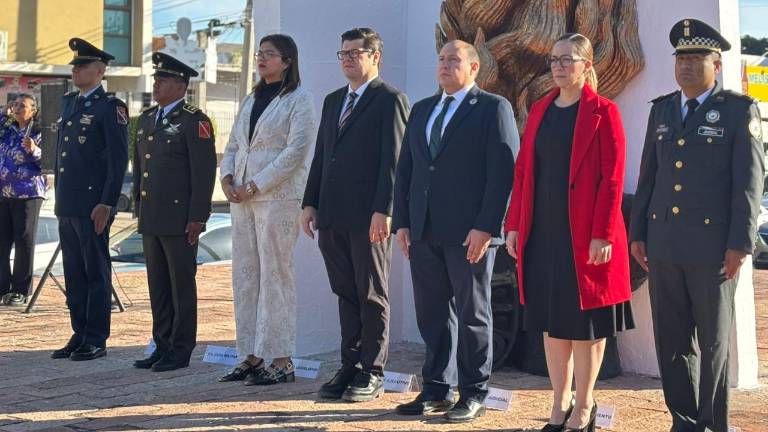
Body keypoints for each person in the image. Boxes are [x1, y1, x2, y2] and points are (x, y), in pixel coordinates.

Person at [629, 19, 764, 432]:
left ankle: (713, 422)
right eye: (681, 58)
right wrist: (638, 233)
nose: (686, 65)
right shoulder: (664, 109)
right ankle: (683, 420)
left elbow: (749, 182)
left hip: (713, 250)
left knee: (714, 342)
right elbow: (648, 175)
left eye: (696, 58)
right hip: (665, 245)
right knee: (672, 341)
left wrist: (740, 243)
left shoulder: (739, 110)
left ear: (717, 63)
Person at [505, 33, 634, 432]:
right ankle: (558, 404)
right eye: (555, 60)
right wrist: (513, 224)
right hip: (542, 233)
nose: (559, 66)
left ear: (586, 65)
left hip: (586, 237)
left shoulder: (604, 111)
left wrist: (603, 236)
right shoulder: (542, 109)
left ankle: (584, 405)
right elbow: (523, 171)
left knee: (585, 325)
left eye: (568, 59)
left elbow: (613, 178)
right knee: (550, 322)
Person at [392, 40, 518, 423]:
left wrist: (486, 227)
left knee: (473, 313)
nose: (445, 65)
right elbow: (408, 170)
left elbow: (502, 174)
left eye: (454, 60)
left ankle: (474, 391)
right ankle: (435, 389)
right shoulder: (423, 109)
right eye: (441, 59)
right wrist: (403, 222)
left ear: (474, 67)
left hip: (469, 234)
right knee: (432, 314)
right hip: (425, 229)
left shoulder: (493, 108)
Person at [302, 28, 409, 402]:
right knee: (344, 291)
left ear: (375, 57)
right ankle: (349, 364)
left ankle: (372, 369)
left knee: (371, 293)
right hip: (332, 215)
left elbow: (394, 162)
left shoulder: (390, 100)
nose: (347, 58)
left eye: (356, 52)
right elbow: (322, 155)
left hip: (369, 218)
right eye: (343, 53)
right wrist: (310, 202)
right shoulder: (334, 101)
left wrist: (386, 210)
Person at [218, 34, 315, 385]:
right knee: (245, 276)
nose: (262, 59)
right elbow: (232, 144)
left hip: (276, 198)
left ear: (287, 60)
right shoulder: (251, 97)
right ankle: (251, 354)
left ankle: (282, 358)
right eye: (260, 53)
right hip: (242, 198)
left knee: (276, 276)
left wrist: (254, 184)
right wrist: (227, 178)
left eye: (270, 54)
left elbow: (295, 152)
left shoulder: (299, 100)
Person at [131, 52, 217, 372]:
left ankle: (180, 349)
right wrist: (138, 208)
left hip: (180, 219)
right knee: (158, 286)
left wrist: (198, 217)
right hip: (152, 217)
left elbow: (203, 172)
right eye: (155, 79)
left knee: (181, 287)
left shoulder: (195, 121)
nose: (157, 84)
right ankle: (162, 344)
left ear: (181, 85)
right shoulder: (148, 118)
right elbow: (141, 168)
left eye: (163, 80)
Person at [51, 38, 128, 361]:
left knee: (95, 272)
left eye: (81, 66)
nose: (75, 70)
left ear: (98, 71)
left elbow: (117, 159)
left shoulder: (110, 107)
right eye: (74, 65)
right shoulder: (69, 102)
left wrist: (107, 202)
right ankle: (79, 332)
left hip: (92, 204)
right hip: (68, 202)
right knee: (74, 272)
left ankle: (96, 337)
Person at [0, 94, 46, 306]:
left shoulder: (38, 131)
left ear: (33, 111)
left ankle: (20, 290)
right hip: (4, 192)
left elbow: (49, 159)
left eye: (22, 105)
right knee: (2, 241)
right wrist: (4, 111)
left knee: (23, 242)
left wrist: (34, 150)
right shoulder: (7, 129)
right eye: (15, 104)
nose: (17, 108)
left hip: (28, 193)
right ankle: (2, 287)